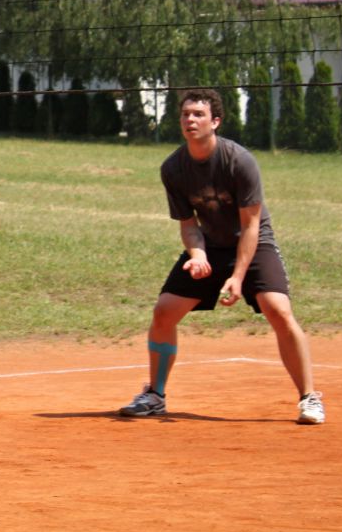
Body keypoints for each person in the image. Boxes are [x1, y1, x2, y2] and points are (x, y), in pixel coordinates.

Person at [119, 88, 324, 425]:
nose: (190, 120)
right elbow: (189, 225)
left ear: (215, 121)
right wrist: (198, 255)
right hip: (212, 245)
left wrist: (238, 277)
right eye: (186, 114)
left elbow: (251, 225)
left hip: (254, 243)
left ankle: (309, 398)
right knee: (164, 311)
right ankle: (155, 395)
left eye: (198, 114)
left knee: (278, 310)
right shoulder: (173, 168)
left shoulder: (238, 160)